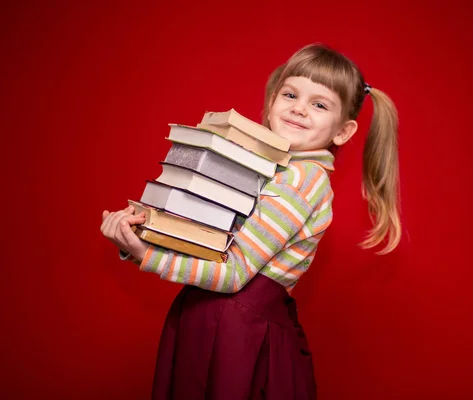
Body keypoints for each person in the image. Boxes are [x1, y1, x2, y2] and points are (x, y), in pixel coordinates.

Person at [100, 43, 402, 399]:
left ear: (343, 132)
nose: (299, 108)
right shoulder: (270, 170)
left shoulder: (301, 179)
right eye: (290, 94)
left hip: (236, 330)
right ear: (272, 101)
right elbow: (211, 246)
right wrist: (139, 239)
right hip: (215, 320)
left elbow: (232, 273)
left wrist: (146, 256)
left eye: (319, 104)